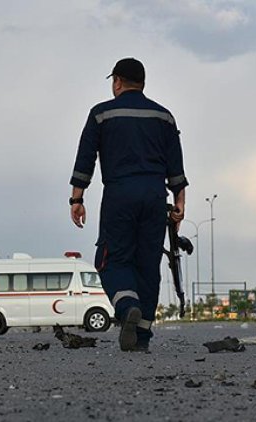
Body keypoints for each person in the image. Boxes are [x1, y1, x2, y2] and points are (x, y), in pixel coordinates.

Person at [69, 58, 188, 352]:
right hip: (154, 196)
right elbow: (176, 167)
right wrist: (179, 206)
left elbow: (86, 157)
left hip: (119, 194)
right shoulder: (164, 117)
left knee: (111, 259)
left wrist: (77, 198)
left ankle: (127, 306)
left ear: (118, 82)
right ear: (143, 83)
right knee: (148, 264)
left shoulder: (101, 114)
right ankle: (142, 336)